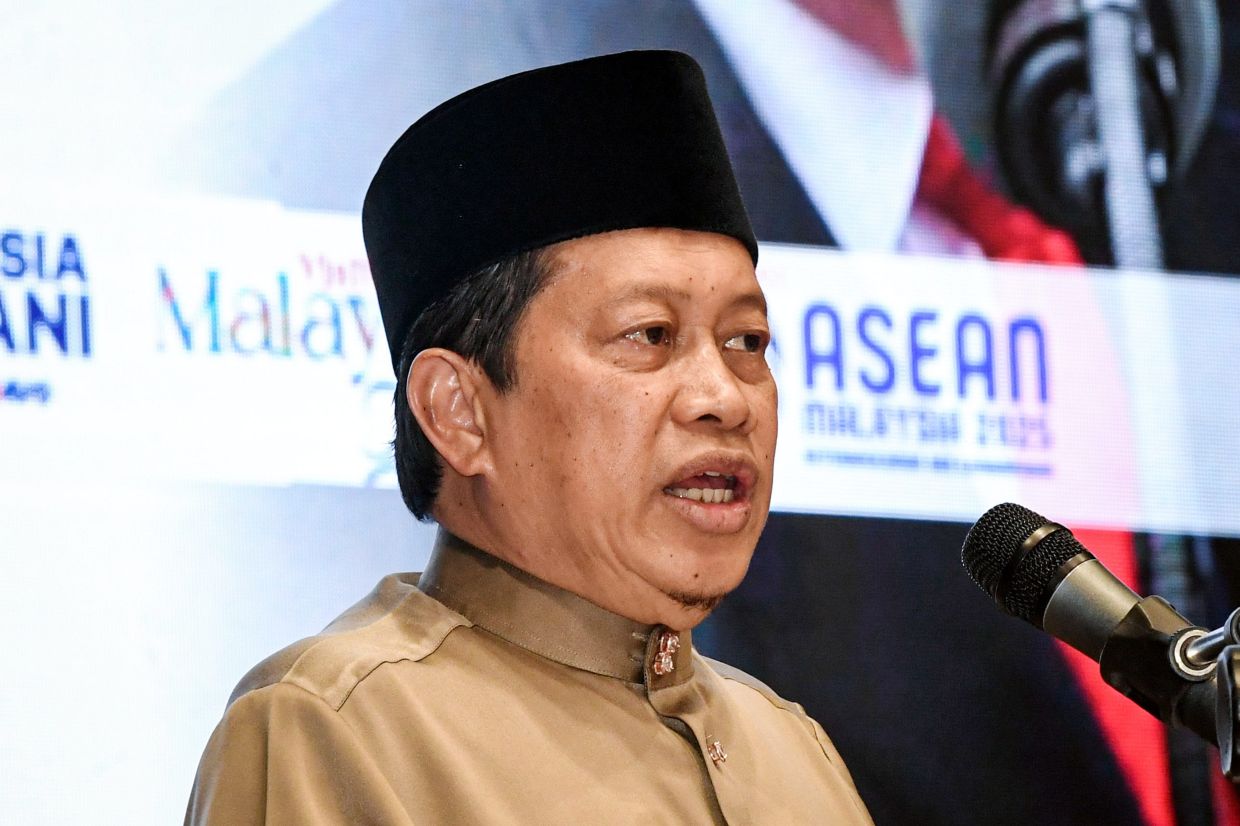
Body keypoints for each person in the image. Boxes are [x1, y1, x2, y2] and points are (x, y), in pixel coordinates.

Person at [184, 50, 874, 825]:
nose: (725, 397)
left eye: (746, 341)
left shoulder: (794, 750)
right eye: (649, 334)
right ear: (458, 412)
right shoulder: (336, 732)